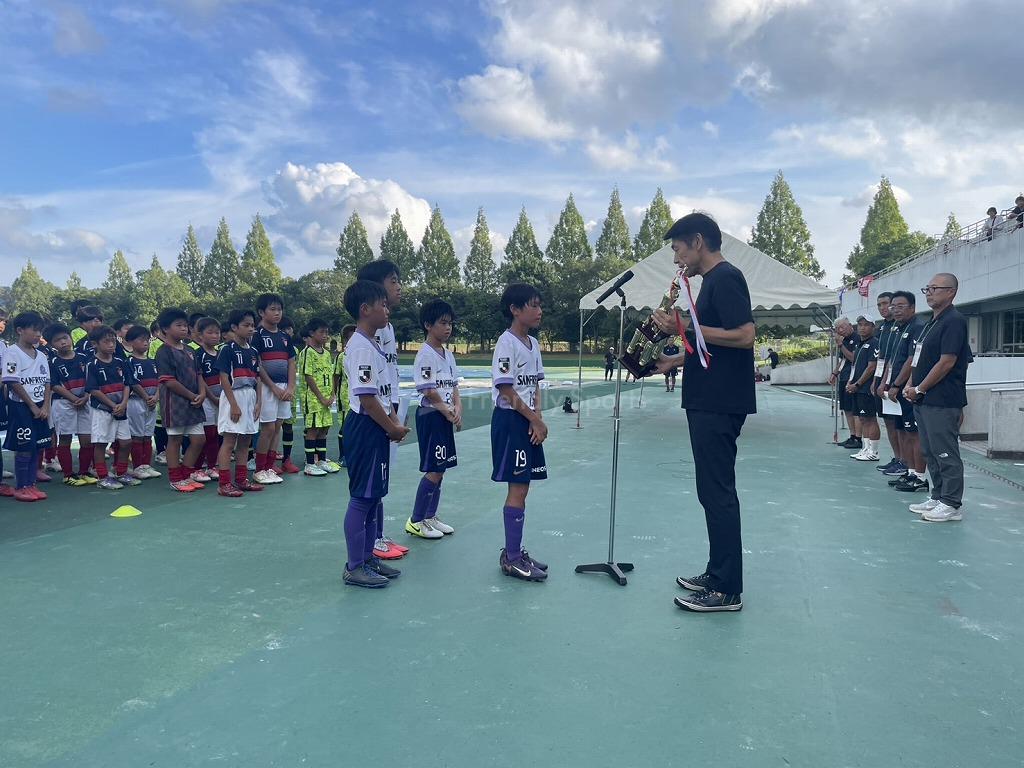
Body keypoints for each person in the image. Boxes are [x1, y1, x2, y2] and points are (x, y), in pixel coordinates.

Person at [652, 213, 755, 613]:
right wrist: (675, 360)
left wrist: (680, 327)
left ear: (697, 242)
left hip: (719, 402)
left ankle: (727, 590)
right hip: (708, 399)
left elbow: (744, 335)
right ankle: (717, 572)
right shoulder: (711, 282)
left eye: (678, 249)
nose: (677, 259)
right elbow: (713, 345)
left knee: (718, 492)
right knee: (710, 491)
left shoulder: (726, 278)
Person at [341, 279, 409, 588]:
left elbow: (381, 394)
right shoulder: (359, 347)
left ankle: (368, 558)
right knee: (362, 498)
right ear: (365, 309)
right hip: (365, 427)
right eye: (382, 305)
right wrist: (391, 427)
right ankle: (354, 566)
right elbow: (367, 399)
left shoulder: (372, 345)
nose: (387, 309)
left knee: (373, 497)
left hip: (377, 427)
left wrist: (394, 422)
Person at [491, 283, 549, 582]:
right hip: (511, 420)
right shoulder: (506, 343)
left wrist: (538, 417)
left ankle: (515, 551)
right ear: (515, 309)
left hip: (527, 420)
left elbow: (535, 384)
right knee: (517, 488)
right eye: (533, 305)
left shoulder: (533, 343)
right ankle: (512, 558)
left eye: (540, 305)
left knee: (524, 487)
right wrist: (533, 419)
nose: (539, 311)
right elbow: (506, 388)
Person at [905, 273, 973, 522]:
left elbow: (947, 362)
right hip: (924, 399)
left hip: (942, 400)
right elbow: (918, 359)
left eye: (935, 288)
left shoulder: (954, 321)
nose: (930, 292)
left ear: (951, 292)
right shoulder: (931, 323)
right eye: (928, 288)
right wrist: (911, 384)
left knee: (945, 452)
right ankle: (938, 496)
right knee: (930, 451)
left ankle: (951, 503)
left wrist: (920, 388)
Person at [357, 259, 409, 561]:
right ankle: (372, 540)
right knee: (372, 482)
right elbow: (369, 385)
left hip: (391, 406)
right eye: (393, 280)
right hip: (376, 413)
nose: (399, 286)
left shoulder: (386, 327)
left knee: (382, 478)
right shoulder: (370, 333)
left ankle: (377, 534)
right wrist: (390, 418)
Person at [406, 299, 461, 539]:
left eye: (450, 323)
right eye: (443, 323)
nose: (448, 328)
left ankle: (430, 516)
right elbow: (428, 389)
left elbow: (454, 385)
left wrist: (457, 408)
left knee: (441, 468)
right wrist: (446, 410)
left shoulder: (448, 355)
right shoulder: (425, 355)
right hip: (431, 415)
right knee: (433, 469)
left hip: (444, 415)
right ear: (428, 325)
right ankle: (416, 520)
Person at [155, 307, 208, 493]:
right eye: (179, 325)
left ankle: (186, 474)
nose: (184, 329)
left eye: (185, 325)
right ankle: (175, 478)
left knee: (199, 439)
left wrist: (202, 393)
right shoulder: (164, 351)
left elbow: (199, 374)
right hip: (174, 404)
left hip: (194, 403)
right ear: (165, 329)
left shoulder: (190, 350)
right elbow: (168, 381)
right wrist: (192, 395)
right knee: (175, 440)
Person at [2, 312, 53, 502]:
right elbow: (12, 381)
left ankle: (31, 484)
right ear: (20, 330)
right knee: (24, 447)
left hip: (40, 406)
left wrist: (45, 405)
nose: (38, 334)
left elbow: (47, 382)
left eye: (40, 331)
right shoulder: (12, 352)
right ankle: (21, 486)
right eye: (34, 330)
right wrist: (31, 405)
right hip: (21, 406)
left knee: (36, 447)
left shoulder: (41, 355)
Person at [883, 291, 929, 493]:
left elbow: (912, 360)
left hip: (908, 390)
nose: (896, 310)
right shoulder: (898, 329)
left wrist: (897, 384)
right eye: (893, 306)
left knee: (914, 434)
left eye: (901, 306)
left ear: (912, 308)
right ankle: (909, 471)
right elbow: (893, 360)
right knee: (902, 431)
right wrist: (886, 383)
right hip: (896, 389)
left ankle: (920, 477)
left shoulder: (917, 327)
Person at [215, 309, 264, 497]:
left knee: (246, 440)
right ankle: (224, 483)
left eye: (252, 325)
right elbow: (224, 378)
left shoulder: (253, 351)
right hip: (234, 396)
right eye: (246, 325)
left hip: (250, 397)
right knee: (229, 441)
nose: (251, 328)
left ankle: (242, 480)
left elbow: (258, 378)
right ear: (234, 327)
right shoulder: (227, 349)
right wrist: (234, 404)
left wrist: (259, 402)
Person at [85, 325, 138, 490]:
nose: (111, 345)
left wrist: (123, 403)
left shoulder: (120, 362)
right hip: (102, 409)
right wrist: (113, 405)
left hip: (121, 408)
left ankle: (121, 472)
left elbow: (127, 384)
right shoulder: (92, 364)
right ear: (95, 344)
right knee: (101, 443)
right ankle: (102, 477)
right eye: (106, 341)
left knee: (126, 442)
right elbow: (93, 389)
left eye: (113, 341)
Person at [252, 294, 295, 486]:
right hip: (267, 388)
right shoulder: (257, 335)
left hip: (284, 388)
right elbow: (258, 364)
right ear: (262, 312)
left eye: (279, 309)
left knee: (277, 427)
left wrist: (291, 387)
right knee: (268, 428)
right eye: (272, 309)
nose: (277, 313)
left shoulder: (285, 337)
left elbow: (291, 362)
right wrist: (272, 387)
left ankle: (269, 467)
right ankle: (259, 469)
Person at [297, 318, 340, 476]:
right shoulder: (307, 353)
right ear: (311, 333)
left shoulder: (327, 353)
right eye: (321, 332)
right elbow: (308, 376)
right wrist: (321, 397)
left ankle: (321, 460)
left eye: (327, 332)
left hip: (326, 399)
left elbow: (330, 374)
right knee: (313, 429)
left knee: (324, 428)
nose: (325, 335)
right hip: (313, 399)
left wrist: (332, 394)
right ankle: (309, 463)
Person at [125, 325, 161, 480]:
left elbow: (160, 381)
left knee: (148, 435)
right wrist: (146, 397)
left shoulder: (153, 362)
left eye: (147, 340)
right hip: (136, 401)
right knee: (137, 435)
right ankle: (137, 466)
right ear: (131, 342)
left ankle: (146, 465)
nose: (145, 343)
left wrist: (156, 397)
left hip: (152, 402)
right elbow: (132, 382)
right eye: (141, 340)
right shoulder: (129, 361)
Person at [869, 293, 901, 469]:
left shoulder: (901, 326)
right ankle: (897, 458)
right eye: (879, 305)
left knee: (899, 425)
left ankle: (905, 462)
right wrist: (876, 380)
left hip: (897, 382)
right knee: (888, 422)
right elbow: (880, 358)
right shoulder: (881, 328)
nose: (882, 308)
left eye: (885, 304)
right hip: (882, 381)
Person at [846, 316, 880, 461]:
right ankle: (866, 448)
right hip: (857, 388)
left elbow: (871, 367)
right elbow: (854, 365)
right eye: (860, 324)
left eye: (866, 325)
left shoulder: (874, 343)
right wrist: (850, 381)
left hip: (866, 389)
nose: (862, 327)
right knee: (863, 419)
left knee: (870, 419)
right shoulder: (859, 344)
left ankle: (874, 451)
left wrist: (858, 384)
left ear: (873, 327)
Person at [195, 317, 223, 481]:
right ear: (200, 335)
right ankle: (197, 468)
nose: (214, 336)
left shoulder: (221, 354)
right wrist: (212, 397)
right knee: (206, 434)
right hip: (207, 400)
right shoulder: (198, 354)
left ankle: (212, 466)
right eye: (210, 332)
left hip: (221, 400)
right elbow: (200, 379)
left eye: (217, 333)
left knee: (217, 434)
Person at [829, 319, 860, 448]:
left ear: (850, 325)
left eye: (842, 327)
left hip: (853, 378)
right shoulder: (844, 340)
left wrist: (841, 345)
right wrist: (835, 373)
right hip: (844, 376)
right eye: (837, 329)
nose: (840, 330)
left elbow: (853, 358)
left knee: (854, 409)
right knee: (847, 408)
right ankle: (852, 435)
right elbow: (843, 360)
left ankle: (858, 437)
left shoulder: (857, 338)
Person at [276, 316, 301, 474]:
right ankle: (261, 460)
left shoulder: (294, 350)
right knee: (271, 428)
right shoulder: (273, 347)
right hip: (274, 391)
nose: (288, 332)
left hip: (289, 393)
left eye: (290, 329)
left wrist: (290, 389)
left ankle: (287, 459)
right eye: (285, 329)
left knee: (288, 426)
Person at [332, 324, 356, 466]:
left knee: (356, 427)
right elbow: (336, 376)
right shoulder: (342, 356)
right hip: (345, 397)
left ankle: (355, 454)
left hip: (358, 397)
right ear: (345, 340)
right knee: (344, 426)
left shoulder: (360, 354)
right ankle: (343, 455)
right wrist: (334, 394)